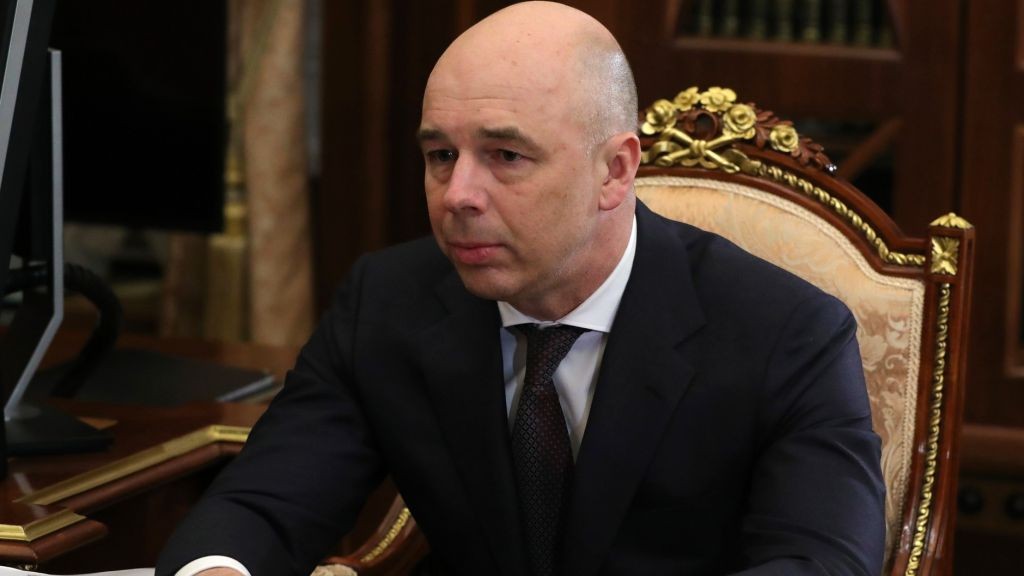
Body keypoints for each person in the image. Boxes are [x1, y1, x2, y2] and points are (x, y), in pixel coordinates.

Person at [157, 2, 885, 575]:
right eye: (440, 155)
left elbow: (819, 560)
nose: (457, 195)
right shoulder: (387, 301)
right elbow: (264, 504)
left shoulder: (785, 332)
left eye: (506, 155)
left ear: (615, 171)